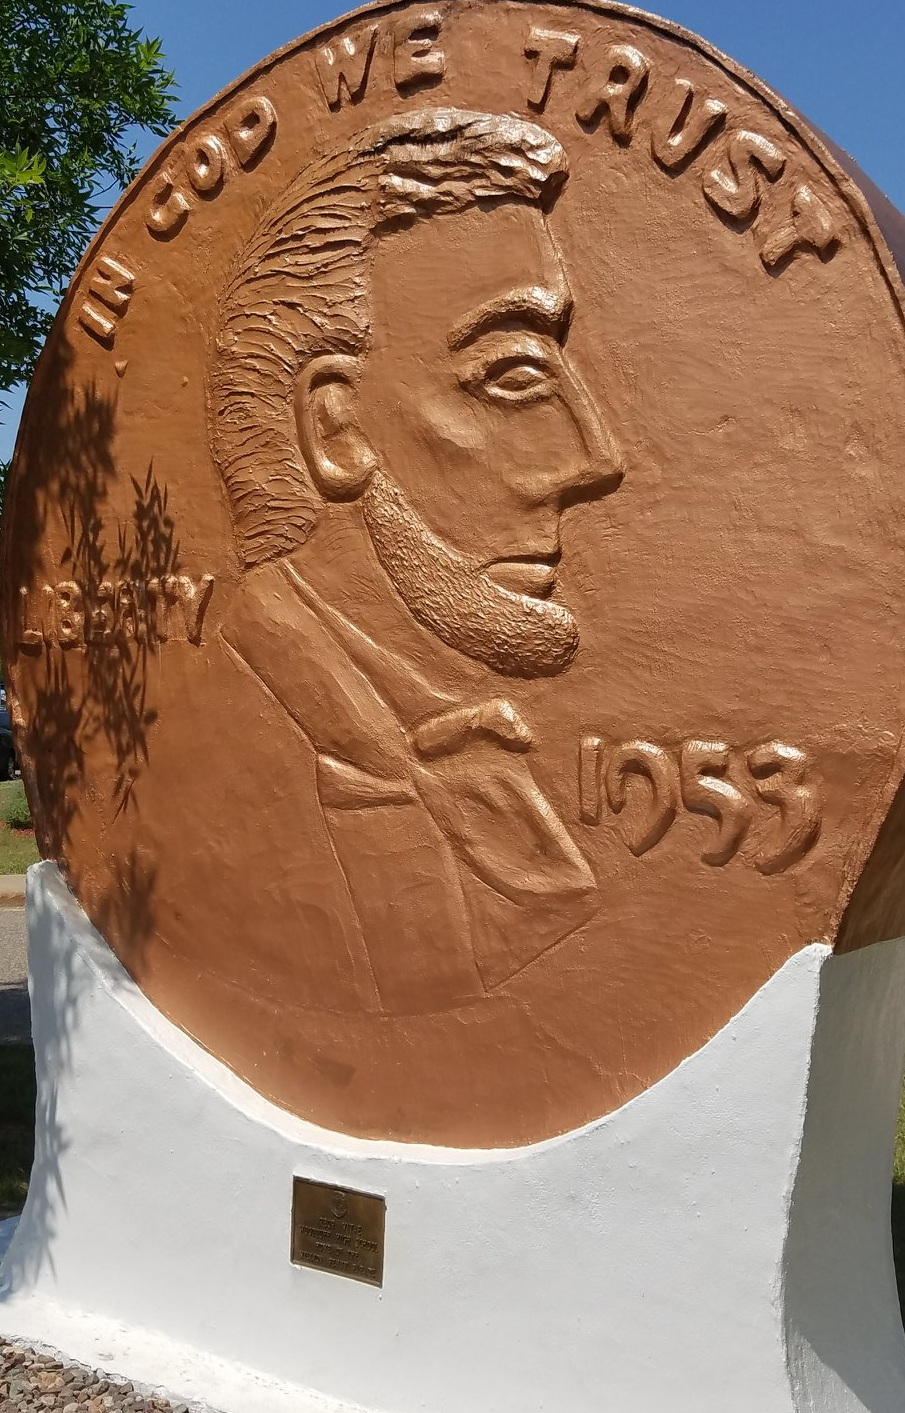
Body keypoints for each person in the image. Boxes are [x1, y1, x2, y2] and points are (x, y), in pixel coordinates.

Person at [210, 108, 624, 1015]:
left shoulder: (446, 724)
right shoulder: (226, 754)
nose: (595, 455)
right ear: (336, 427)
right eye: (514, 375)